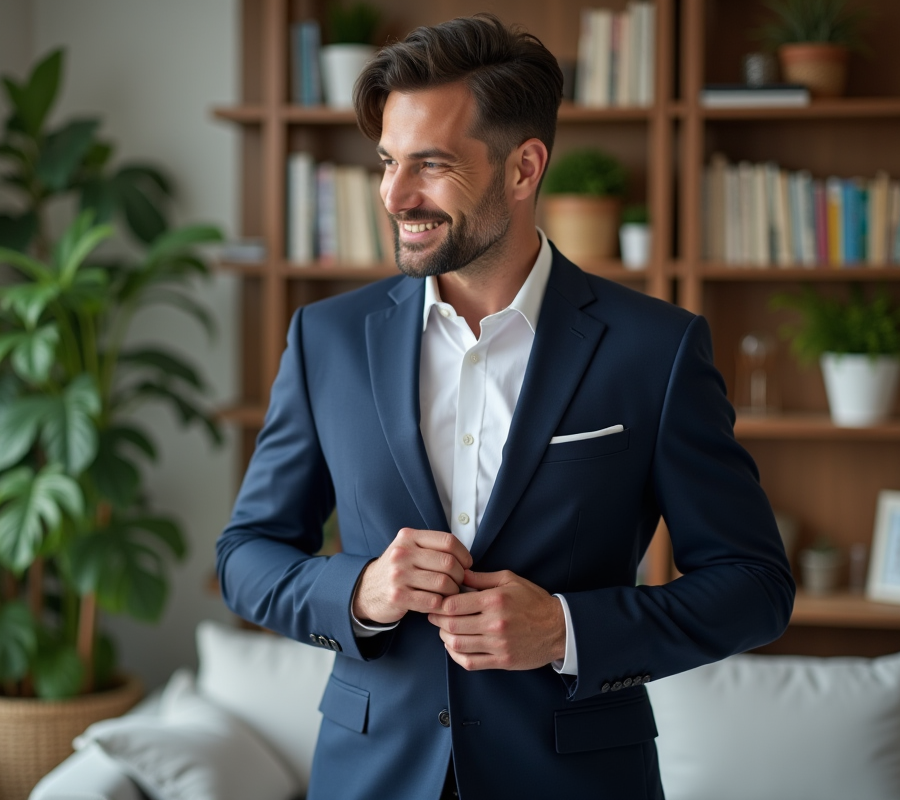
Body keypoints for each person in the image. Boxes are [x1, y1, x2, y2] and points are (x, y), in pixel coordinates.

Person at [216, 14, 794, 800]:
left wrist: (565, 629)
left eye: (431, 165)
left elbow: (755, 585)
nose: (394, 195)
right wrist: (358, 594)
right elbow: (246, 556)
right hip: (369, 777)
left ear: (524, 169)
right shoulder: (329, 339)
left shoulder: (655, 351)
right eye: (387, 162)